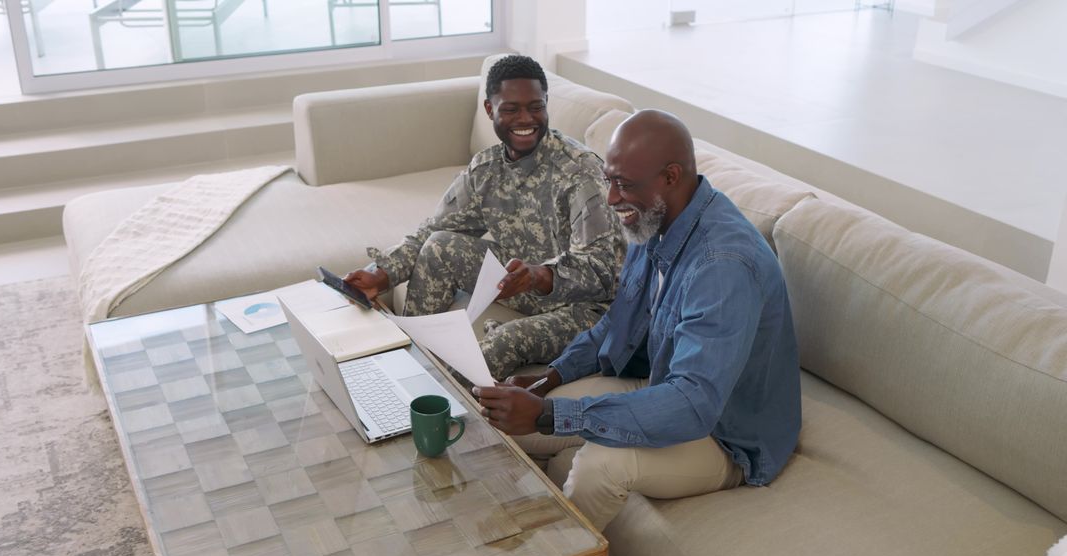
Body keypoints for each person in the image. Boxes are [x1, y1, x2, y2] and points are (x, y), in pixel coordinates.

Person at [473, 109, 802, 531]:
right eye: (609, 179)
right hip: (666, 383)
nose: (611, 199)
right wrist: (549, 380)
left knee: (599, 464)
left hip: (723, 432)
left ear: (670, 176)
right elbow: (616, 323)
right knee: (500, 417)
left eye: (623, 184)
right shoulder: (655, 221)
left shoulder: (723, 267)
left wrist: (548, 414)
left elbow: (691, 404)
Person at [343, 55, 624, 379]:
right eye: (510, 109)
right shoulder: (486, 169)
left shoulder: (580, 171)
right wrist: (382, 274)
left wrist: (539, 275)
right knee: (438, 246)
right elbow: (433, 231)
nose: (525, 118)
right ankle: (414, 368)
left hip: (589, 308)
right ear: (490, 110)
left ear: (547, 104)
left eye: (535, 107)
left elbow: (606, 271)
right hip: (524, 283)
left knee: (503, 342)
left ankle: (440, 404)